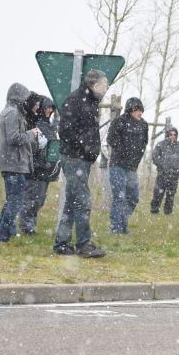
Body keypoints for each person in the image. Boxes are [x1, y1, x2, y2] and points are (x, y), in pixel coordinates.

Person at [54, 69, 108, 258]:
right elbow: (66, 130)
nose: (105, 89)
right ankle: (84, 244)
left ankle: (61, 243)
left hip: (82, 160)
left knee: (71, 202)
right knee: (83, 201)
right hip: (74, 158)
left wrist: (91, 152)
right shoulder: (75, 100)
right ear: (94, 85)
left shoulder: (92, 103)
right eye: (103, 85)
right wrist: (85, 149)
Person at [0, 83, 39, 242]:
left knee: (11, 201)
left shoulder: (9, 111)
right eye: (25, 98)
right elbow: (13, 138)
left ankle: (5, 234)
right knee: (14, 203)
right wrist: (31, 134)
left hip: (11, 163)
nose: (26, 101)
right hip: (14, 164)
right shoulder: (12, 113)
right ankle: (3, 237)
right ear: (18, 97)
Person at [106, 97, 149, 234]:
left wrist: (136, 158)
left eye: (141, 110)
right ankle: (115, 228)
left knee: (133, 197)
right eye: (137, 110)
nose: (139, 113)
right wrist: (123, 150)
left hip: (132, 167)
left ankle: (122, 225)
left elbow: (144, 143)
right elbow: (111, 138)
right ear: (130, 110)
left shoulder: (144, 125)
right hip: (118, 164)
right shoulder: (120, 122)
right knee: (119, 196)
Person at [19, 94, 60, 234]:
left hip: (46, 170)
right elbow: (31, 145)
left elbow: (54, 138)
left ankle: (30, 225)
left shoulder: (50, 125)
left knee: (39, 200)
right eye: (47, 108)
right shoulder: (35, 123)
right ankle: (26, 227)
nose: (49, 111)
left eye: (52, 109)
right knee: (31, 199)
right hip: (36, 168)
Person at [150, 126, 179, 215]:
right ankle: (154, 211)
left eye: (174, 134)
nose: (172, 136)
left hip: (174, 175)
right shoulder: (160, 145)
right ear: (167, 135)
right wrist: (162, 166)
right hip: (162, 174)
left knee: (171, 194)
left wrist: (178, 168)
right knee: (158, 193)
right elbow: (155, 157)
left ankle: (168, 212)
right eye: (170, 134)